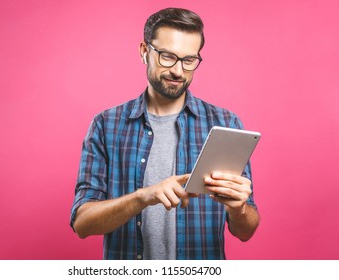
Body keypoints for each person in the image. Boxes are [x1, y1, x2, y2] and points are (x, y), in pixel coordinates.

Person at [70, 7, 259, 260]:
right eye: (167, 56)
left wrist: (239, 210)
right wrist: (142, 197)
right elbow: (82, 223)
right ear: (144, 52)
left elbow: (246, 231)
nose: (178, 71)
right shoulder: (106, 125)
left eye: (189, 60)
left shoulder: (226, 123)